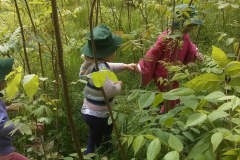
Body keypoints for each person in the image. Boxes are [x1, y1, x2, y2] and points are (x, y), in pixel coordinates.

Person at [79, 24, 137, 154]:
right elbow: (110, 90)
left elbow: (109, 66)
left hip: (89, 109)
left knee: (108, 125)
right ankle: (89, 155)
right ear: (105, 54)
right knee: (94, 140)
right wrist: (119, 84)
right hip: (97, 115)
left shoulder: (92, 63)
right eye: (113, 50)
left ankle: (107, 142)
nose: (115, 52)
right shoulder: (101, 69)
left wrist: (125, 66)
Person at [138, 4, 204, 113]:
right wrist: (143, 67)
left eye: (193, 26)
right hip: (163, 73)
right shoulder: (165, 38)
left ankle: (162, 101)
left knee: (172, 92)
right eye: (190, 25)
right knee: (172, 96)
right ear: (178, 25)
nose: (192, 28)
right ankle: (163, 116)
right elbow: (153, 53)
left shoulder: (184, 36)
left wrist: (196, 53)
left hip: (173, 72)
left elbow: (190, 45)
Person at [0, 58, 43, 160]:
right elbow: (1, 127)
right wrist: (26, 127)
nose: (6, 81)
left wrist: (7, 108)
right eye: (4, 78)